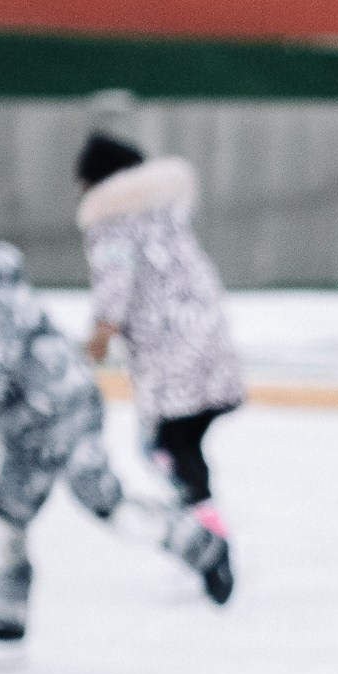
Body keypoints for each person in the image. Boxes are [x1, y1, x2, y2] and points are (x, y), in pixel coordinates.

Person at [0, 206, 234, 651]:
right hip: (26, 426)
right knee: (6, 520)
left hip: (65, 415)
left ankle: (206, 549)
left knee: (105, 502)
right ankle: (4, 616)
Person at [74, 133, 247, 546]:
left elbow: (115, 285)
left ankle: (207, 539)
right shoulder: (165, 211)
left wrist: (98, 339)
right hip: (208, 339)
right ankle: (204, 528)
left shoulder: (111, 221)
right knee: (182, 444)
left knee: (163, 447)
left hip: (169, 351)